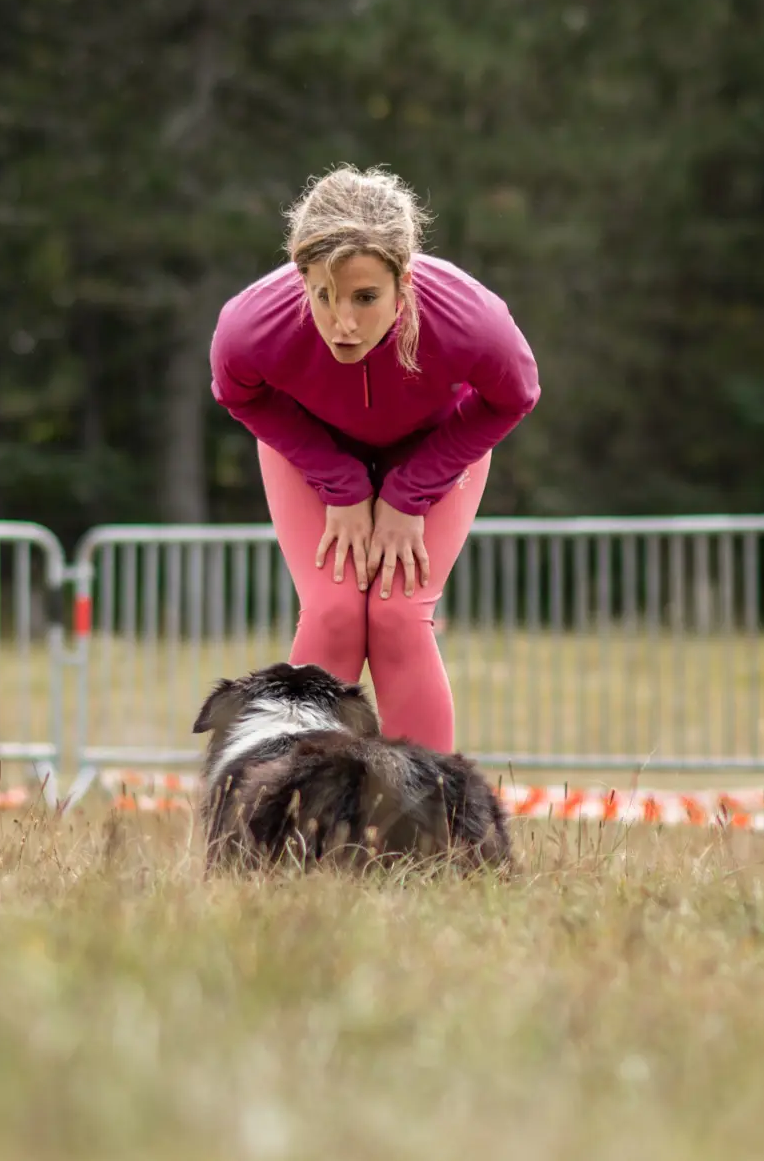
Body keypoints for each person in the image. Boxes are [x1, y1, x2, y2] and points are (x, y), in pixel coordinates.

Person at [208, 164, 541, 754]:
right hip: (312, 448)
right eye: (323, 296)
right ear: (299, 276)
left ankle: (427, 826)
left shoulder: (471, 319)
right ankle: (300, 814)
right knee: (334, 610)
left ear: (403, 279)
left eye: (366, 297)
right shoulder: (249, 325)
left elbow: (514, 396)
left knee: (395, 616)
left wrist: (408, 495)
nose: (343, 323)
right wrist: (340, 485)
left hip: (433, 450)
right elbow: (237, 393)